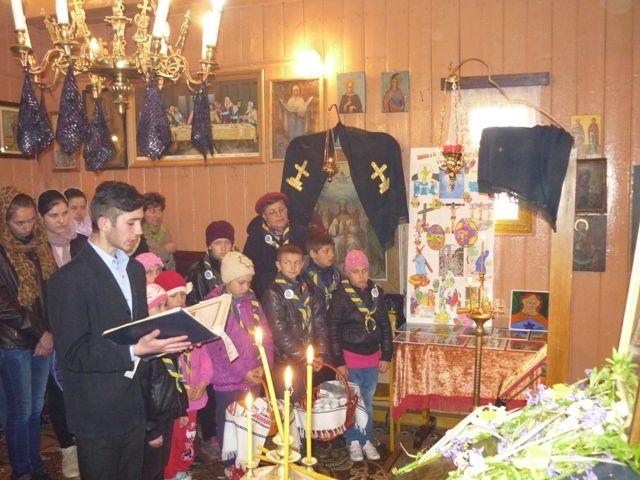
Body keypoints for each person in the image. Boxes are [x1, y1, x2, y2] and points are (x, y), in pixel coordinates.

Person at [47, 181, 191, 480]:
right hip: (97, 410)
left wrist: (168, 339)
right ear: (104, 223)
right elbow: (73, 353)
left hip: (134, 405)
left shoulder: (134, 270)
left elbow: (138, 331)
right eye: (131, 223)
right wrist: (134, 351)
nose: (139, 231)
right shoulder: (68, 280)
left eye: (140, 222)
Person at [0, 186, 57, 480]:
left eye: (31, 220)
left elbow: (51, 293)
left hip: (43, 337)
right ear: (5, 221)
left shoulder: (39, 245)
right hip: (14, 342)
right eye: (19, 223)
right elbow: (4, 306)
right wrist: (39, 333)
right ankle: (21, 470)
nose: (27, 228)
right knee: (20, 410)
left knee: (36, 408)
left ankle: (35, 463)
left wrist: (49, 332)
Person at [205, 251, 273, 479]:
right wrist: (243, 372)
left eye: (249, 282)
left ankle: (249, 458)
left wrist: (264, 365)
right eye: (241, 282)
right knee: (228, 422)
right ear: (227, 280)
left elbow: (265, 335)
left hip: (253, 374)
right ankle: (231, 461)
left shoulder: (252, 301)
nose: (246, 287)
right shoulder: (215, 305)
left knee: (250, 419)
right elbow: (216, 348)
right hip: (228, 379)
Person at [37, 189, 87, 479]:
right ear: (42, 219)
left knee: (82, 388)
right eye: (53, 215)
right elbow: (36, 297)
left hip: (82, 327)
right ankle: (68, 448)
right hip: (53, 330)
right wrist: (46, 330)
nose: (61, 220)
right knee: (58, 392)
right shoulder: (38, 248)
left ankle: (85, 443)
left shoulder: (80, 243)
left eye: (64, 213)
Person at [327, 250, 393, 462]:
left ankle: (366, 439)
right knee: (353, 402)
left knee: (368, 401)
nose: (362, 275)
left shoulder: (376, 293)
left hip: (372, 358)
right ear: (348, 273)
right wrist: (339, 361)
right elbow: (333, 330)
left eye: (365, 270)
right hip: (350, 358)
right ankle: (353, 441)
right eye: (356, 271)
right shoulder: (340, 296)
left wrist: (386, 354)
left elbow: (384, 325)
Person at [261, 245, 326, 394]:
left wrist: (319, 353)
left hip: (309, 358)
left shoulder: (308, 289)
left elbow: (319, 322)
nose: (293, 267)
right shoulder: (273, 293)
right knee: (288, 402)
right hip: (286, 360)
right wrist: (303, 356)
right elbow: (280, 331)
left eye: (297, 262)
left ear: (302, 264)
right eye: (287, 262)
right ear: (278, 265)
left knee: (306, 402)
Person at [141, 283, 189, 480]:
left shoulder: (165, 340)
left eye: (164, 305)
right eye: (158, 306)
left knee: (161, 464)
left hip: (167, 414)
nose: (164, 310)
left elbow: (175, 377)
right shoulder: (145, 350)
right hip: (153, 420)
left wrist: (182, 408)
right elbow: (142, 394)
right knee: (149, 469)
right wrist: (151, 430)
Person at [243, 192, 307, 298]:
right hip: (268, 294)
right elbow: (249, 271)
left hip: (300, 291)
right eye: (272, 212)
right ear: (264, 216)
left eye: (281, 210)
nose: (279, 215)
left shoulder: (302, 234)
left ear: (287, 210)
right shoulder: (255, 238)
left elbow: (308, 266)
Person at [186, 220, 235, 306]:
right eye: (218, 243)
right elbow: (194, 305)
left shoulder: (239, 268)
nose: (223, 248)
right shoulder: (198, 271)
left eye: (227, 242)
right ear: (209, 246)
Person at [303, 232, 341, 313]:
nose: (332, 255)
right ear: (313, 254)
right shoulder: (304, 278)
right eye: (326, 251)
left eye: (333, 251)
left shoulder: (337, 275)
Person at [142, 192, 177, 271]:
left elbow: (170, 261)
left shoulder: (164, 232)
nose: (158, 215)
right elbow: (143, 259)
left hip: (165, 273)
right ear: (143, 213)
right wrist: (165, 249)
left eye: (160, 211)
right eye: (153, 211)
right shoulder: (139, 234)